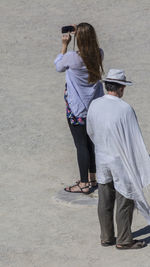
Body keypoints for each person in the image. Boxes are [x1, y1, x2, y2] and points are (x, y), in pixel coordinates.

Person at [87, 69, 150, 249]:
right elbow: (134, 139)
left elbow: (90, 131)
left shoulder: (95, 104)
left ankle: (106, 237)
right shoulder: (125, 109)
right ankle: (124, 239)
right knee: (125, 199)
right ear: (121, 88)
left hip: (102, 158)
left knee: (104, 199)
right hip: (120, 161)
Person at [54, 23, 104, 194]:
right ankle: (92, 178)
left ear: (78, 38)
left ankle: (83, 184)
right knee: (91, 143)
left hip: (77, 109)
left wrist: (64, 45)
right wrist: (83, 30)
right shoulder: (98, 54)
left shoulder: (71, 57)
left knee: (81, 145)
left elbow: (58, 66)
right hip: (94, 107)